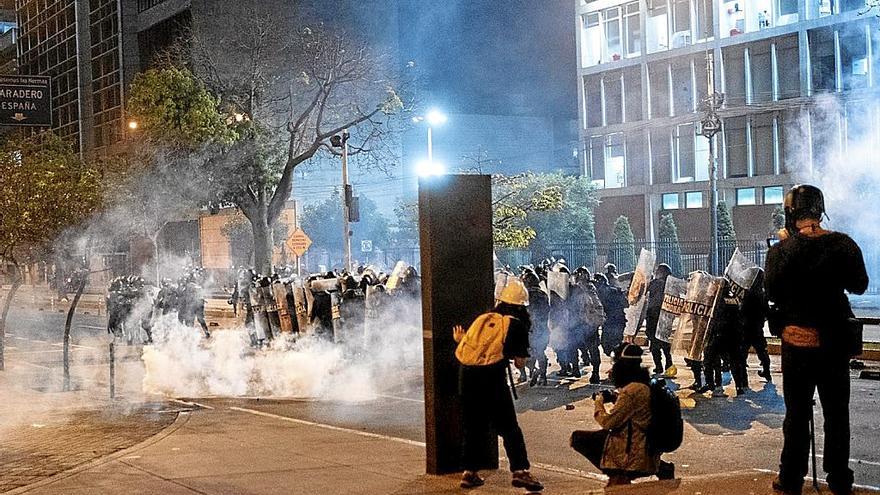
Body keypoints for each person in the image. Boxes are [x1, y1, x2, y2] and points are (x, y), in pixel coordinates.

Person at [765, 184, 868, 495]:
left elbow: (771, 293)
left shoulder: (780, 251)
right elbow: (859, 285)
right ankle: (839, 479)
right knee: (837, 414)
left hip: (797, 344)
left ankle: (791, 478)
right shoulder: (843, 245)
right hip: (834, 343)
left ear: (790, 213)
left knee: (797, 415)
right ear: (820, 210)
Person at [453, 278, 544, 492]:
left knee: (473, 426)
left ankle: (469, 473)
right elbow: (520, 362)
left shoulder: (483, 318)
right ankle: (520, 472)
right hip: (491, 379)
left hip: (466, 377)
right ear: (522, 305)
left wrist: (460, 339)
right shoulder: (516, 324)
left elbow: (473, 346)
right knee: (510, 428)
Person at [570, 343, 670, 486]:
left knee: (579, 439)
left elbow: (608, 423)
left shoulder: (632, 391)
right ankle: (660, 468)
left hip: (633, 450)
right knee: (586, 438)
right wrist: (615, 397)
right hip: (641, 444)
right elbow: (637, 409)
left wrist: (599, 402)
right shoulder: (643, 384)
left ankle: (623, 472)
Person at [741, 269, 772, 383]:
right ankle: (767, 372)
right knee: (762, 350)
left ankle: (743, 379)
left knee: (742, 353)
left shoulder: (747, 292)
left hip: (746, 327)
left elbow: (743, 310)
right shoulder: (762, 294)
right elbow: (766, 310)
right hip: (757, 327)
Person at [645, 264, 673, 376]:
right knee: (665, 342)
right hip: (665, 316)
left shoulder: (656, 283)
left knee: (654, 344)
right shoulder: (671, 285)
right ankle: (669, 364)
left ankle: (659, 366)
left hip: (654, 316)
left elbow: (645, 289)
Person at [595, 273, 628, 356]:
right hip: (616, 321)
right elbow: (626, 303)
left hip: (612, 322)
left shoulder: (599, 294)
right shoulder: (615, 290)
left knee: (608, 345)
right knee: (613, 344)